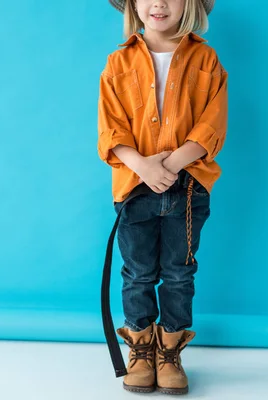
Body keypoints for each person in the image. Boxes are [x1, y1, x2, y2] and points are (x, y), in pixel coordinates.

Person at [98, 0, 228, 395]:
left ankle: (170, 352)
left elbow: (212, 122)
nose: (158, 3)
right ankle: (140, 349)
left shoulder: (206, 59)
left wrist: (170, 164)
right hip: (135, 188)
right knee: (137, 272)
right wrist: (144, 166)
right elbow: (111, 128)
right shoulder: (118, 64)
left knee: (178, 272)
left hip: (187, 186)